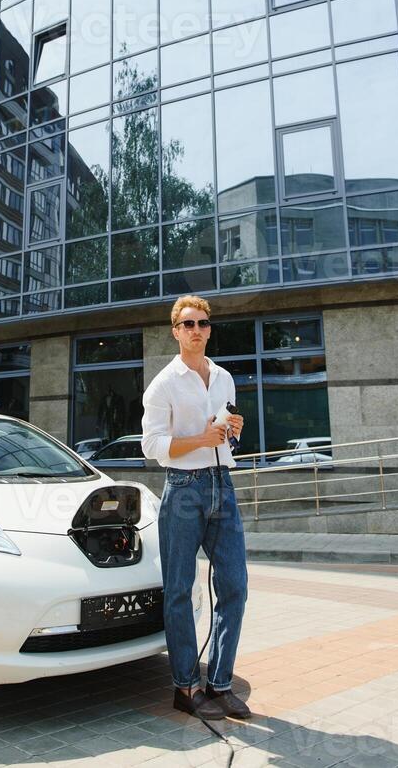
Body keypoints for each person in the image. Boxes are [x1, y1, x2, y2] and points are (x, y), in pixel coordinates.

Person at [141, 295, 250, 721]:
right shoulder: (163, 384)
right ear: (175, 331)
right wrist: (200, 440)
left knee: (235, 585)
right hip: (184, 489)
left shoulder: (223, 377)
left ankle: (220, 684)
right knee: (180, 589)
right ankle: (185, 686)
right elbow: (152, 447)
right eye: (188, 324)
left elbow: (224, 436)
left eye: (203, 324)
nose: (197, 330)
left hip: (223, 483)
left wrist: (232, 432)